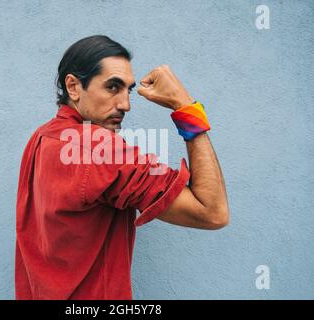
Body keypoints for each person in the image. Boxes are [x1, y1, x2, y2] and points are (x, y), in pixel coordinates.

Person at [15, 35, 230, 300]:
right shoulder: (97, 148)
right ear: (73, 86)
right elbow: (212, 212)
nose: (125, 105)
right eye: (112, 87)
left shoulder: (41, 139)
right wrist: (185, 106)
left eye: (128, 90)